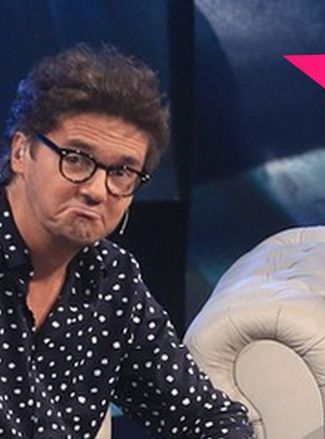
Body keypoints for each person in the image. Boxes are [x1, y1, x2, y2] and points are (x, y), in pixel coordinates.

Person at [0, 45, 255, 438]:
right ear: (21, 151)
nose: (96, 190)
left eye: (121, 172)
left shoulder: (111, 279)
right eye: (76, 159)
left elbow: (206, 417)